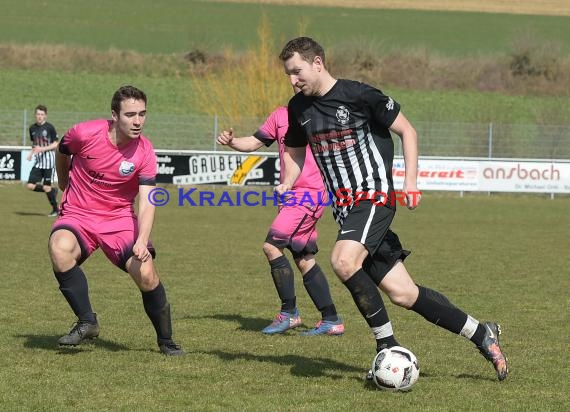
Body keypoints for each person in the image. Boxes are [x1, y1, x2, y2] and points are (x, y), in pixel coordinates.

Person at [275, 37, 508, 381]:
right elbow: (295, 152)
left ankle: (387, 347)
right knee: (404, 293)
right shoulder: (298, 109)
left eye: (297, 72)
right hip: (345, 211)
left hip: (373, 197)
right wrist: (287, 181)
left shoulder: (358, 95)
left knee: (342, 260)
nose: (293, 80)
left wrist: (410, 182)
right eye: (288, 75)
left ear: (318, 63)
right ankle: (481, 333)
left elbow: (407, 131)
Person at [48, 85, 184, 356]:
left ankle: (166, 341)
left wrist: (143, 240)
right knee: (59, 248)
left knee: (145, 273)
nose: (137, 121)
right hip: (79, 214)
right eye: (130, 114)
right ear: (114, 115)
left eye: (142, 114)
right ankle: (87, 321)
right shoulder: (84, 133)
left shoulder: (145, 152)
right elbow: (63, 151)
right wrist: (63, 182)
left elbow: (147, 200)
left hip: (119, 219)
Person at [216, 101, 344, 336]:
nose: (297, 83)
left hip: (308, 196)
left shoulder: (323, 114)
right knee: (303, 258)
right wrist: (233, 142)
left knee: (271, 246)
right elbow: (255, 141)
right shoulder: (280, 115)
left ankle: (289, 313)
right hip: (289, 196)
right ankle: (332, 319)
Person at [25, 105, 59, 216]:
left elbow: (56, 144)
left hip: (49, 163)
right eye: (38, 114)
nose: (40, 116)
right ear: (35, 115)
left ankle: (55, 209)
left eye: (42, 114)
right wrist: (31, 153)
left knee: (46, 186)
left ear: (45, 116)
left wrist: (42, 149)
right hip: (38, 162)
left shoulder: (50, 128)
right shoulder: (32, 128)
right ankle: (52, 191)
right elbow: (34, 144)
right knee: (30, 185)